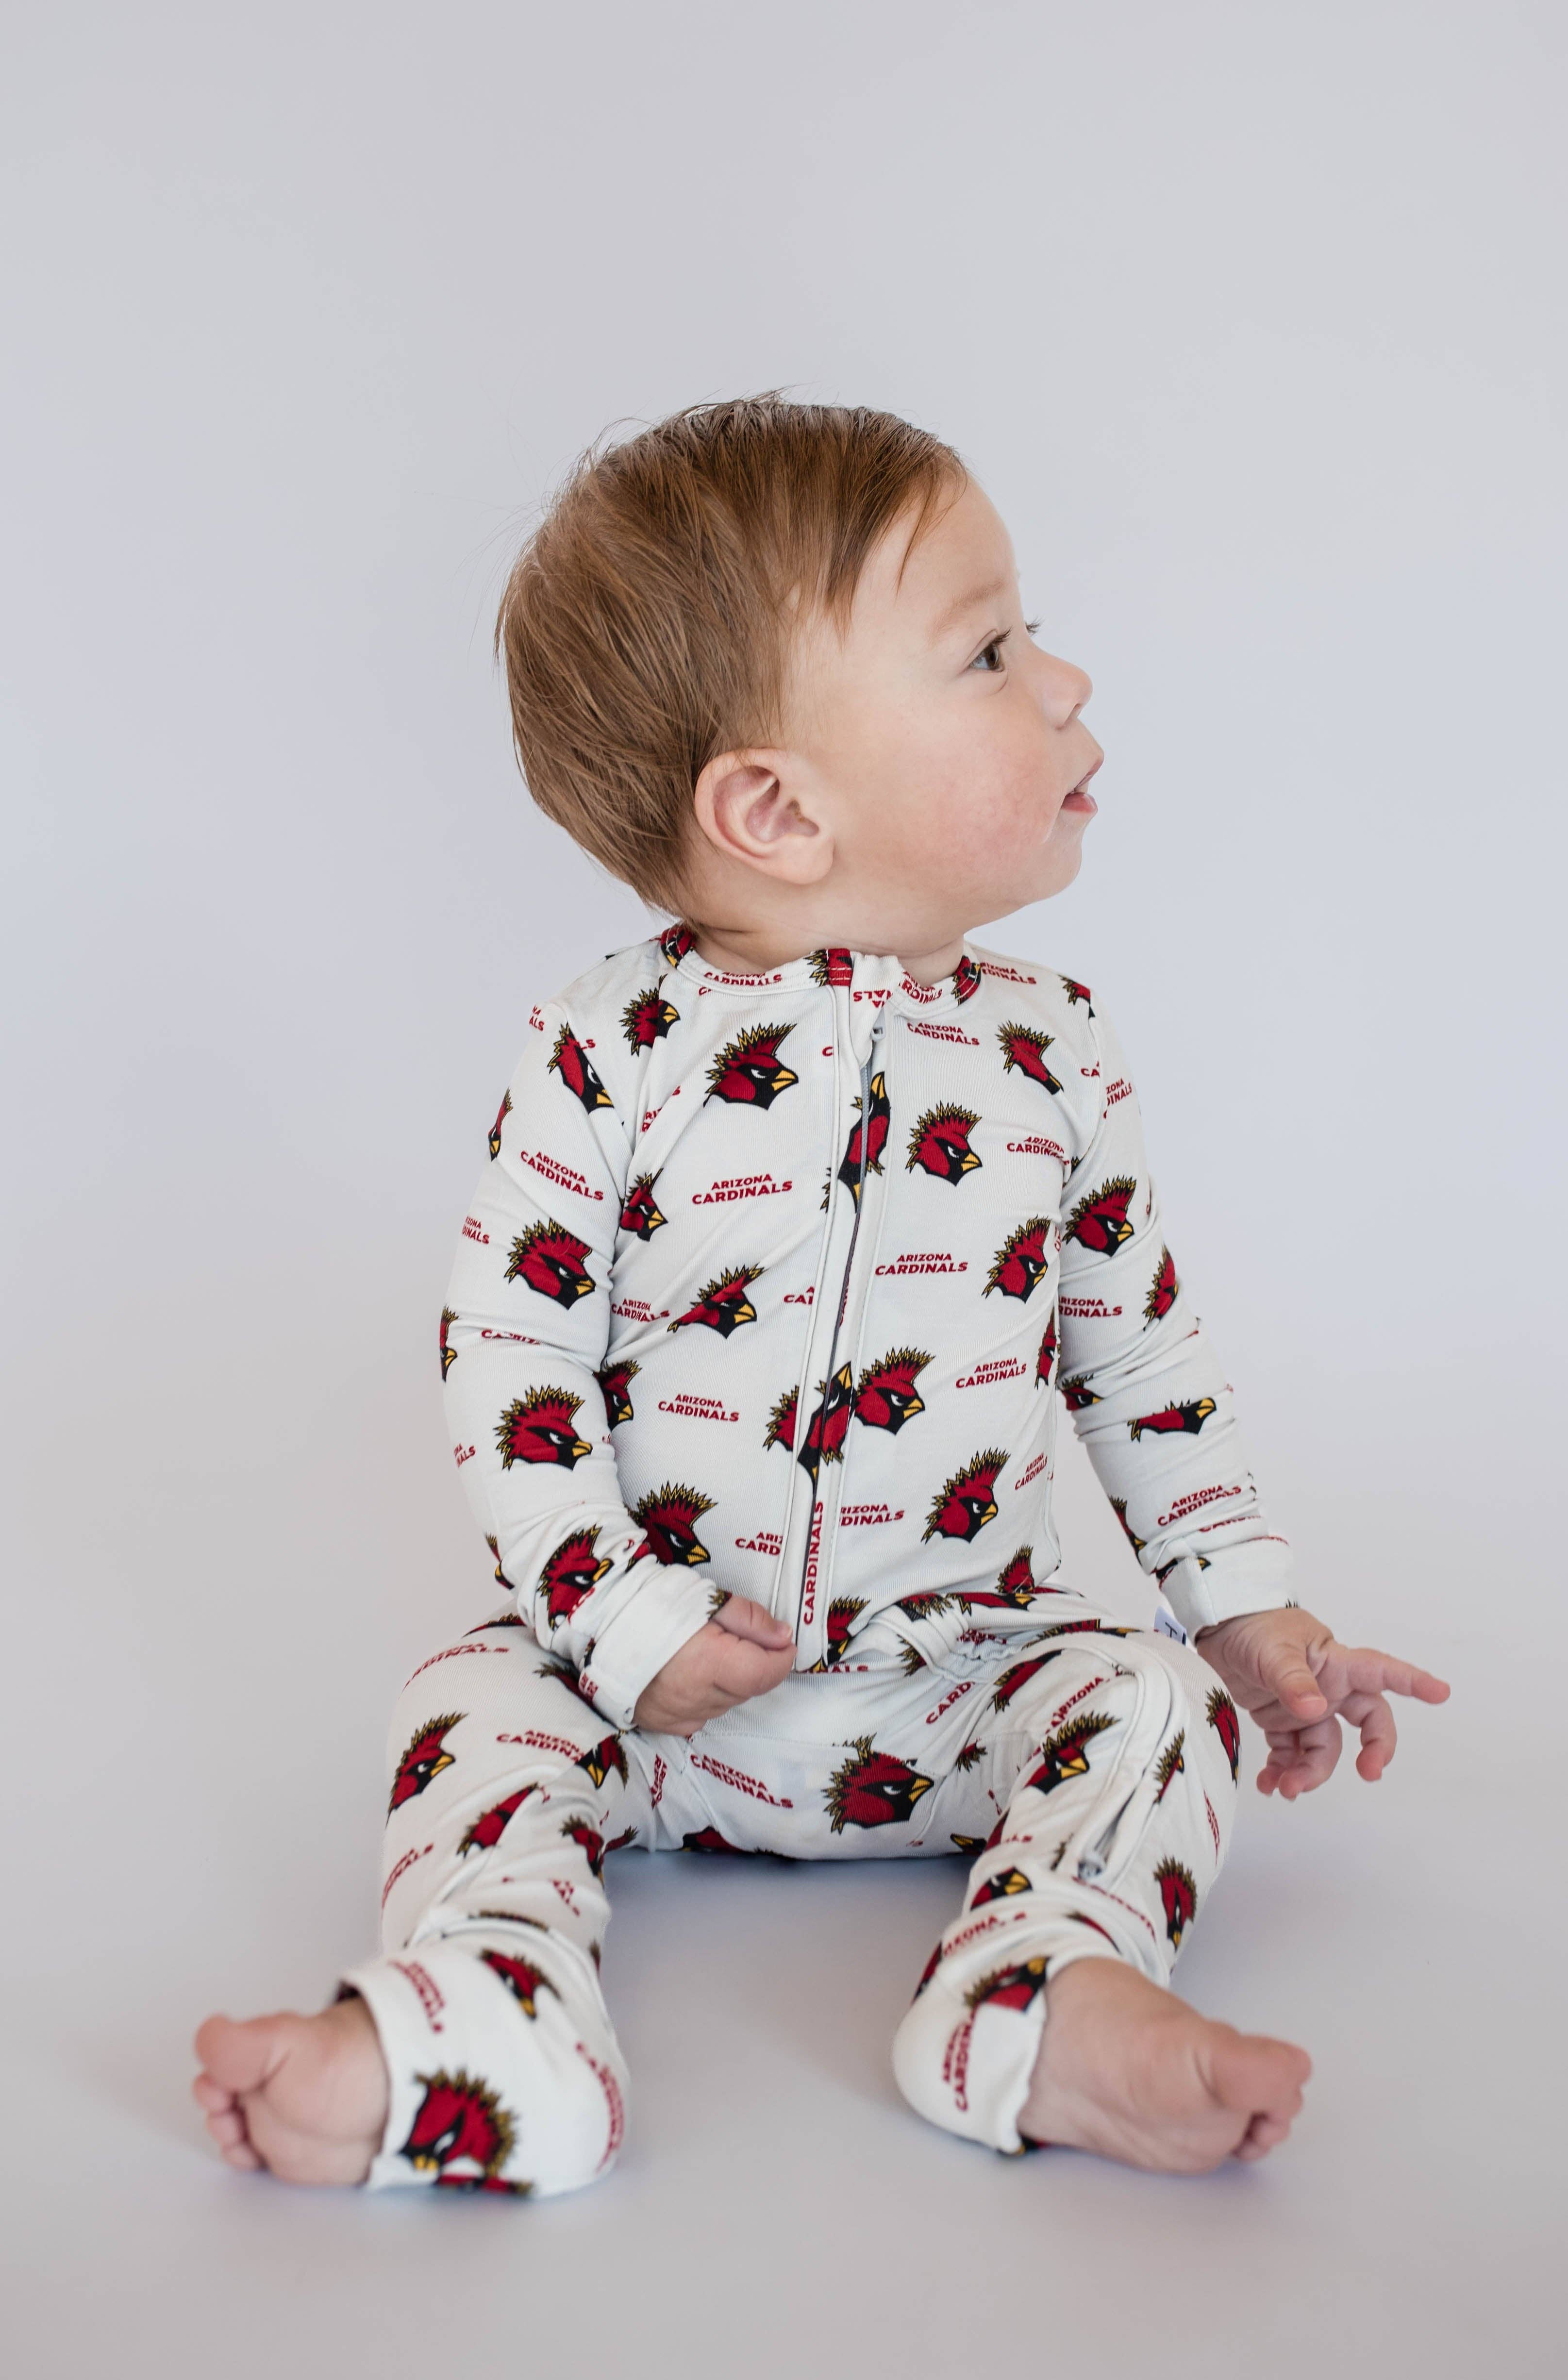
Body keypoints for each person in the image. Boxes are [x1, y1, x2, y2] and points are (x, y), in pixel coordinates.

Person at [192, 397, 1449, 2194]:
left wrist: (1245, 1608)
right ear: (777, 809)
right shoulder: (609, 1054)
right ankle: (491, 2019)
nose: (1069, 680)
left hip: (962, 1683)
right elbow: (510, 1358)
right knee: (469, 1704)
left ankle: (1042, 1993)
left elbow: (1138, 1360)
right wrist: (619, 1622)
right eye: (991, 651)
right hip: (650, 1697)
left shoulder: (1056, 1053)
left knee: (1154, 1704)